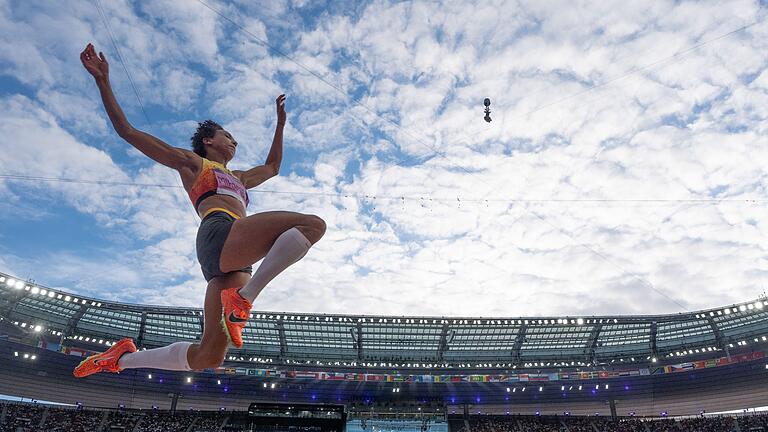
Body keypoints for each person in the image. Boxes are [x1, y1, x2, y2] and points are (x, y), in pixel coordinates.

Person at [73, 43, 326, 377]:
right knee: (313, 225)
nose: (234, 141)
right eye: (228, 135)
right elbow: (128, 131)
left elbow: (273, 166)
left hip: (234, 258)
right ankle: (243, 299)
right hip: (219, 231)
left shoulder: (240, 178)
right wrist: (103, 81)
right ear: (209, 140)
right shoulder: (193, 163)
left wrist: (280, 125)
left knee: (209, 357)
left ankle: (120, 359)